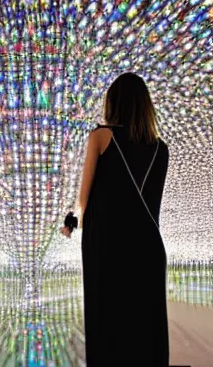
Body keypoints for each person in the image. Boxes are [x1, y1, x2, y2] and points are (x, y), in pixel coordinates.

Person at [61, 72, 170, 367]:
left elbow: (83, 198)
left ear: (114, 103)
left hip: (107, 247)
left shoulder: (101, 136)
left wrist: (70, 221)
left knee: (107, 325)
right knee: (145, 331)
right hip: (147, 249)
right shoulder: (162, 149)